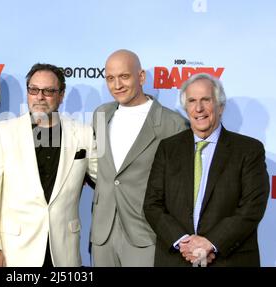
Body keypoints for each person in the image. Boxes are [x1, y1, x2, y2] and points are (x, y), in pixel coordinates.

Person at [0, 63, 97, 267]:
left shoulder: (83, 133)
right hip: (15, 251)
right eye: (34, 89)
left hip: (64, 251)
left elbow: (104, 178)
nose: (40, 96)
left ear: (61, 94)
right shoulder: (2, 133)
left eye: (48, 91)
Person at [143, 73, 270, 267]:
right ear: (186, 108)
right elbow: (152, 204)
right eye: (192, 101)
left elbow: (252, 207)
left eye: (206, 100)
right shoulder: (168, 148)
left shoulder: (248, 150)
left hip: (229, 259)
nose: (199, 108)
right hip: (177, 258)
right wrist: (185, 243)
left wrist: (211, 243)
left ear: (221, 106)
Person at [90, 49, 187, 266]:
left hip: (145, 232)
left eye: (124, 76)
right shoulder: (100, 115)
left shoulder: (172, 124)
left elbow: (179, 188)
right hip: (102, 232)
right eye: (110, 78)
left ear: (141, 76)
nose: (117, 85)